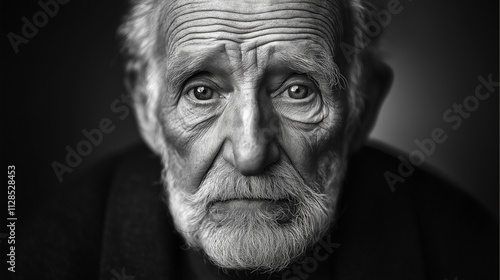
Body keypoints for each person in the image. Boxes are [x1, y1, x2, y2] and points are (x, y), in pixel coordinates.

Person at [13, 0, 497, 279]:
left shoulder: (465, 252)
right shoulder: (48, 256)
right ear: (145, 106)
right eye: (202, 92)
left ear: (362, 108)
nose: (249, 153)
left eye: (297, 90)